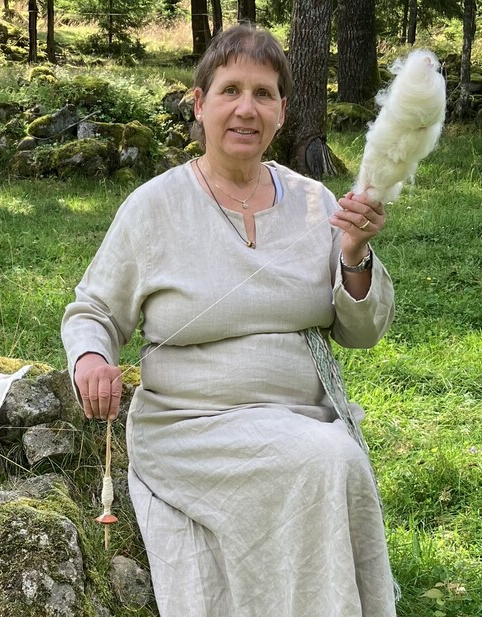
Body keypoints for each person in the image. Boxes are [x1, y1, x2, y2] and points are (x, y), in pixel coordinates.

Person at [61, 23, 397, 616]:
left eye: (264, 94)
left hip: (300, 416)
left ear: (283, 111)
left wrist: (354, 255)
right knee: (328, 459)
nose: (247, 109)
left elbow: (362, 331)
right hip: (191, 428)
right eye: (230, 90)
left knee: (325, 454)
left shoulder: (316, 202)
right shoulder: (154, 206)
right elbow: (92, 310)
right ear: (200, 103)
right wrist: (91, 359)